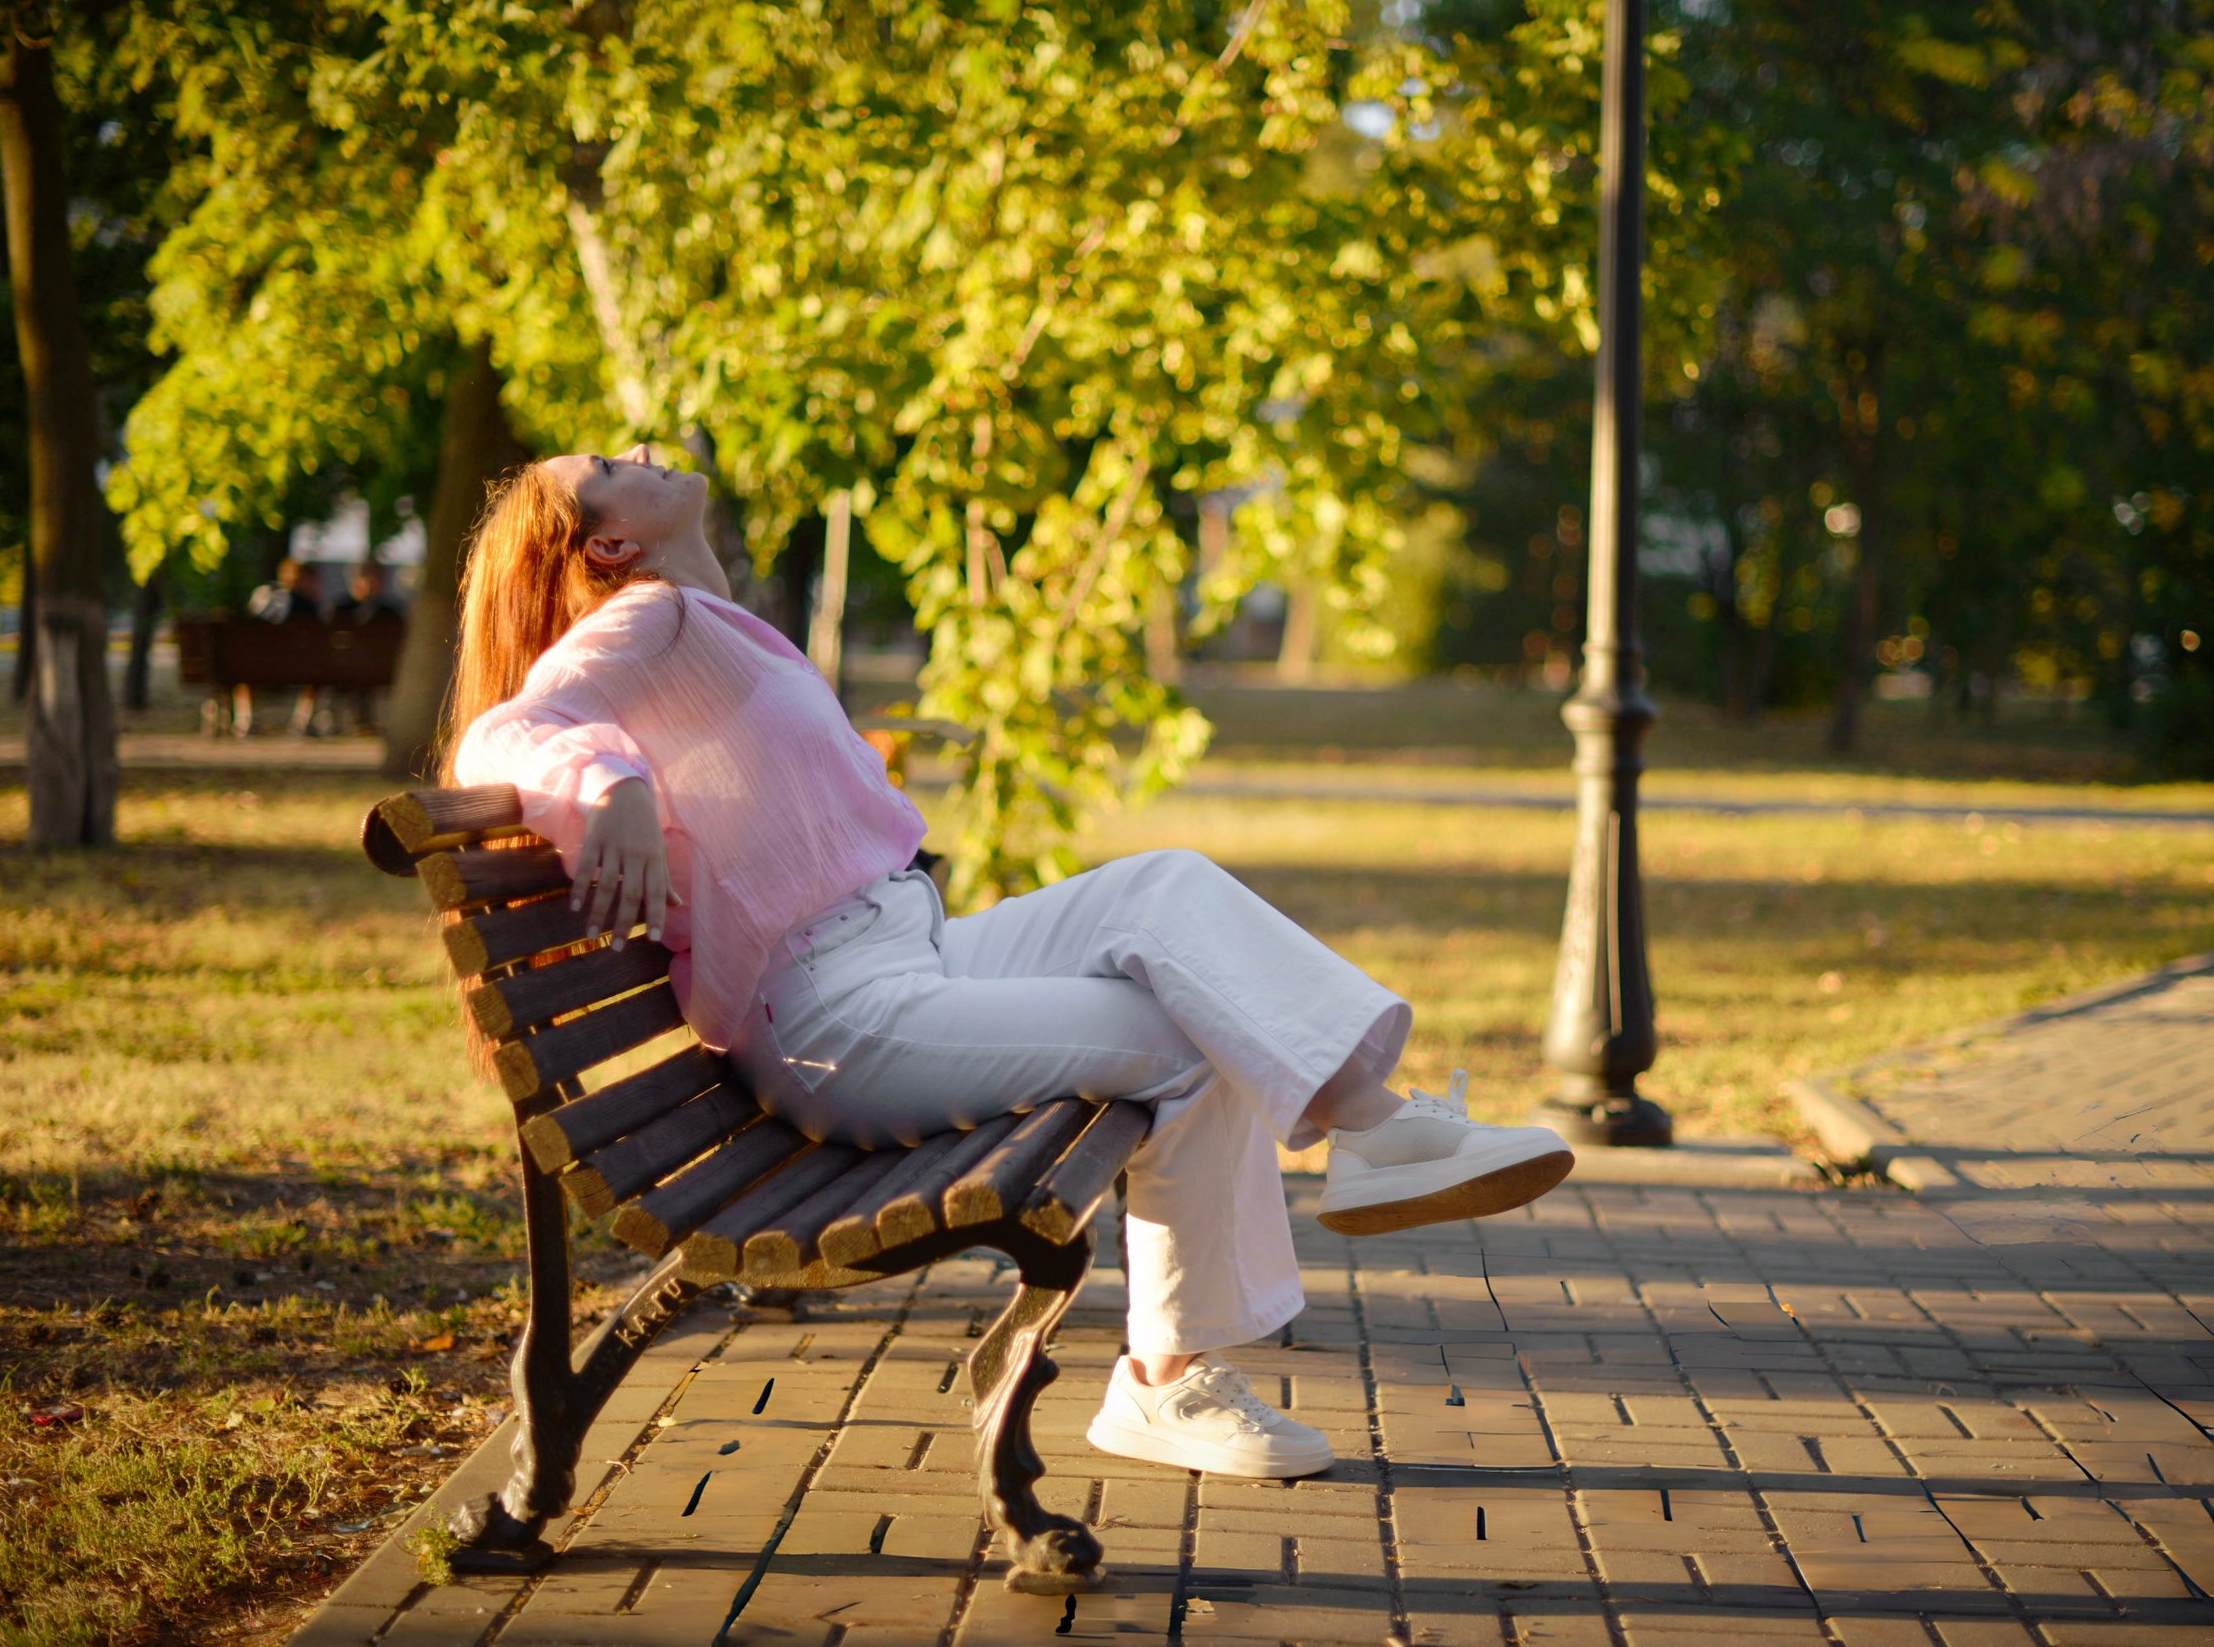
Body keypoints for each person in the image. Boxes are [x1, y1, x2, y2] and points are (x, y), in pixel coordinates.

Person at [446, 446, 1576, 1481]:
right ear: (607, 543)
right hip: (836, 1020)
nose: (637, 447)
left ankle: (1377, 1127)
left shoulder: (703, 616)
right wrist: (617, 790)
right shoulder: (641, 621)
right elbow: (505, 731)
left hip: (903, 948)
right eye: (606, 464)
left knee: (1163, 889)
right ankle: (1166, 1386)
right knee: (1191, 1037)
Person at [233, 558, 326, 737]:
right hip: (300, 671)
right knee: (318, 668)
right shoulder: (308, 607)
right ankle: (302, 722)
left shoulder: (262, 597)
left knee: (242, 667)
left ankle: (245, 720)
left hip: (257, 668)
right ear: (304, 580)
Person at [328, 560, 405, 734]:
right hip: (377, 670)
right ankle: (363, 719)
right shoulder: (390, 611)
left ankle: (360, 719)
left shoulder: (340, 608)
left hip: (346, 668)